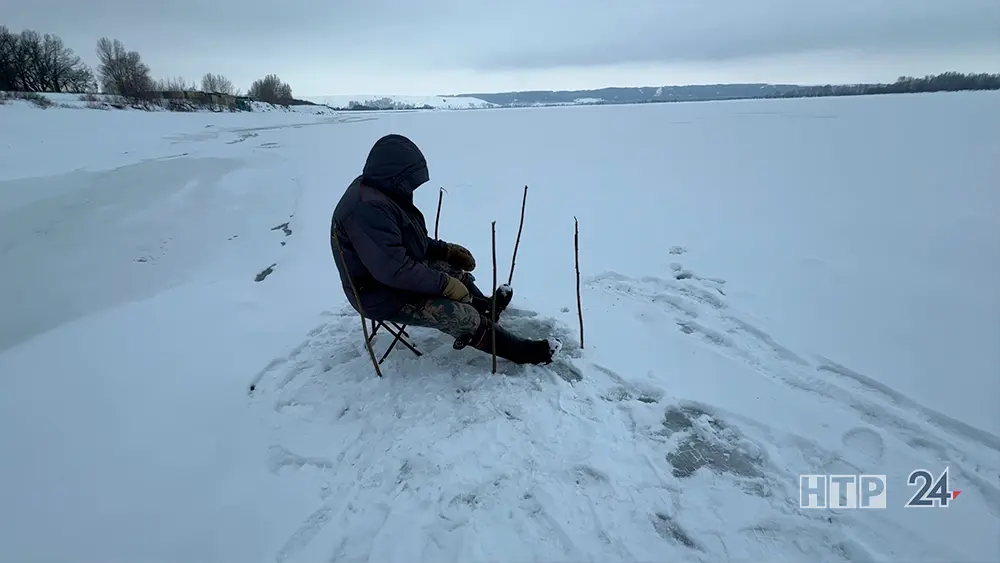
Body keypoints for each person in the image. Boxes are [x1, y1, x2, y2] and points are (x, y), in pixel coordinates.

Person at [330, 133, 560, 365]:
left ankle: (486, 308)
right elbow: (394, 269)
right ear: (396, 176)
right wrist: (444, 285)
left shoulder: (382, 191)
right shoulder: (367, 209)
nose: (412, 188)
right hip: (379, 294)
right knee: (459, 315)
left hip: (391, 278)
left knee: (448, 268)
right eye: (409, 182)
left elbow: (404, 245)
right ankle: (522, 353)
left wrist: (445, 251)